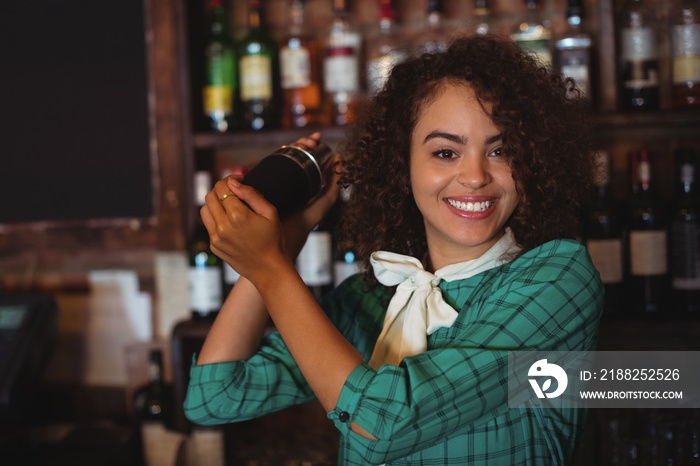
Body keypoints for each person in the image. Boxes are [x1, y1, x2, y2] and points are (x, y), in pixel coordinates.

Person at [184, 34, 603, 465]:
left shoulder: (555, 279)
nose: (475, 176)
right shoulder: (376, 296)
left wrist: (271, 268)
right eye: (445, 152)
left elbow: (381, 425)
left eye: (500, 150)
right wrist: (287, 240)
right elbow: (216, 396)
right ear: (402, 166)